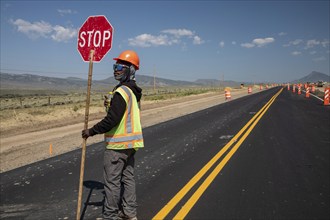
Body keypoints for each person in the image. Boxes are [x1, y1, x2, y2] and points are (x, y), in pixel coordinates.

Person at [82, 50, 144, 220]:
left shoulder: (122, 92)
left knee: (112, 183)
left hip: (117, 145)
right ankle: (130, 213)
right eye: (114, 66)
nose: (116, 70)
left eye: (120, 67)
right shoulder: (133, 91)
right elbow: (124, 114)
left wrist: (91, 131)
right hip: (131, 145)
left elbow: (112, 120)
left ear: (131, 70)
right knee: (128, 179)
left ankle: (110, 216)